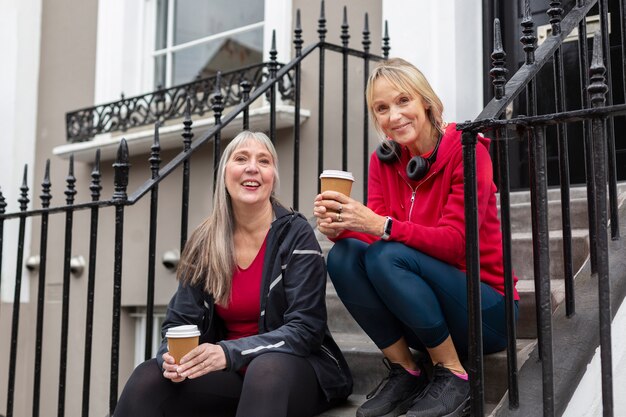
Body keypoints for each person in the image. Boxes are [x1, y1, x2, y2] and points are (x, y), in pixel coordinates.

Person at [314, 58, 519, 417]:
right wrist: (344, 226)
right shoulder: (387, 161)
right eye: (382, 108)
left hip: (487, 310)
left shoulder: (469, 150)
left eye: (402, 100)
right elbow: (377, 233)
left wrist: (380, 225)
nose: (394, 116)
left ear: (426, 101)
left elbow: (456, 243)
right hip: (425, 310)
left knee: (386, 256)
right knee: (344, 254)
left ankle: (455, 374)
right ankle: (405, 370)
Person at [114, 131, 352, 417]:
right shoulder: (205, 240)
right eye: (241, 158)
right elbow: (180, 321)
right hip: (231, 374)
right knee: (148, 378)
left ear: (272, 177)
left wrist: (227, 352)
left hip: (295, 370)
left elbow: (306, 329)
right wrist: (170, 357)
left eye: (263, 161)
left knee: (265, 370)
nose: (253, 167)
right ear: (225, 173)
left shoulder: (296, 234)